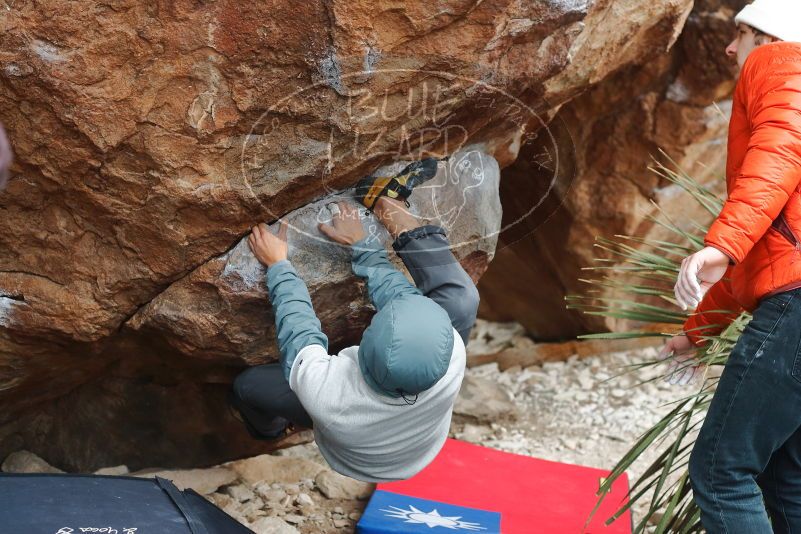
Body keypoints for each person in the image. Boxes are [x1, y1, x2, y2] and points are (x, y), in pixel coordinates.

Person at [229, 160, 479, 482]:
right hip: (417, 446)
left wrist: (278, 264)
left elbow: (300, 332)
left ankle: (272, 430)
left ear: (365, 342)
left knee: (246, 387)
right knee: (462, 300)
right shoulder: (452, 355)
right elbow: (401, 298)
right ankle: (387, 201)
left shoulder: (329, 398)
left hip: (359, 459)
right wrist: (363, 245)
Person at [662, 0, 801, 531]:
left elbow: (778, 158)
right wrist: (699, 331)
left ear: (767, 37)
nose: (728, 46)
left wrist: (721, 244)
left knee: (723, 470)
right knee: (788, 476)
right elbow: (776, 249)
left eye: (739, 32)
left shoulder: (784, 63)